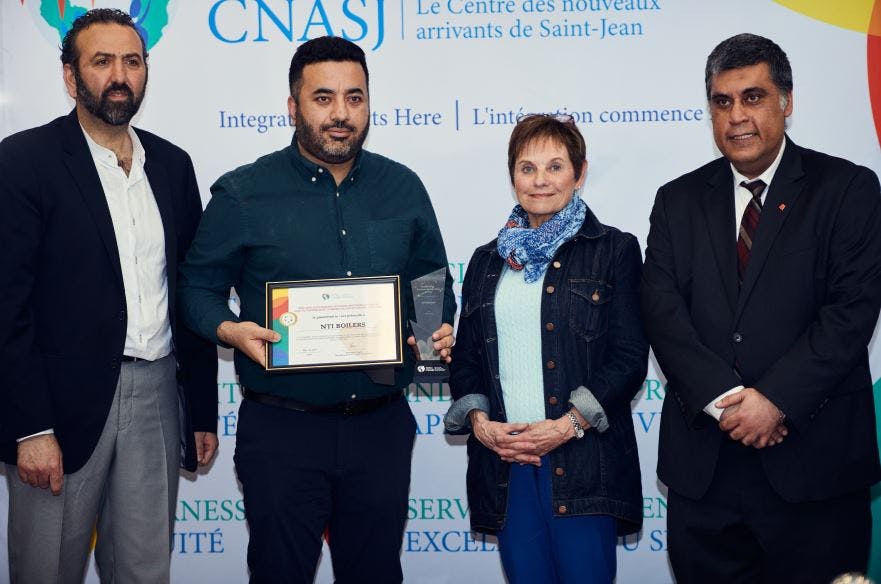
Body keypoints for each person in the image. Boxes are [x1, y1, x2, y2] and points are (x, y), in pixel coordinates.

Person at [177, 36, 456, 584]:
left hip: (379, 427)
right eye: (323, 98)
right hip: (282, 430)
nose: (341, 114)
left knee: (376, 574)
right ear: (293, 107)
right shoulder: (243, 194)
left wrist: (432, 329)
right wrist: (229, 329)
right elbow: (194, 288)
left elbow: (431, 281)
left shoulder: (403, 187)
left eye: (355, 98)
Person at [641, 33, 881, 583]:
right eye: (722, 102)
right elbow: (662, 311)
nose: (736, 117)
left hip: (814, 467)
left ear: (786, 102)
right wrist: (727, 401)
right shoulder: (676, 200)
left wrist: (774, 402)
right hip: (707, 475)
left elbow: (850, 313)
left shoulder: (846, 188)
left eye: (753, 97)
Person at [0, 8, 219, 584]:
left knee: (145, 571)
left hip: (156, 398)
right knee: (46, 570)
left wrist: (199, 409)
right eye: (102, 61)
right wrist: (30, 428)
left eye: (132, 61)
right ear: (71, 77)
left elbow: (188, 290)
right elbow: (6, 307)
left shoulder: (172, 166)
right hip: (58, 411)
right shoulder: (23, 162)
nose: (119, 75)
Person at [444, 114, 647, 584]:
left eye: (555, 166)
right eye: (526, 167)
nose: (540, 181)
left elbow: (629, 357)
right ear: (512, 175)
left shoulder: (614, 250)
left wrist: (566, 426)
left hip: (583, 462)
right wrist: (481, 425)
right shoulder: (486, 260)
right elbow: (469, 357)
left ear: (580, 172)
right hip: (508, 465)